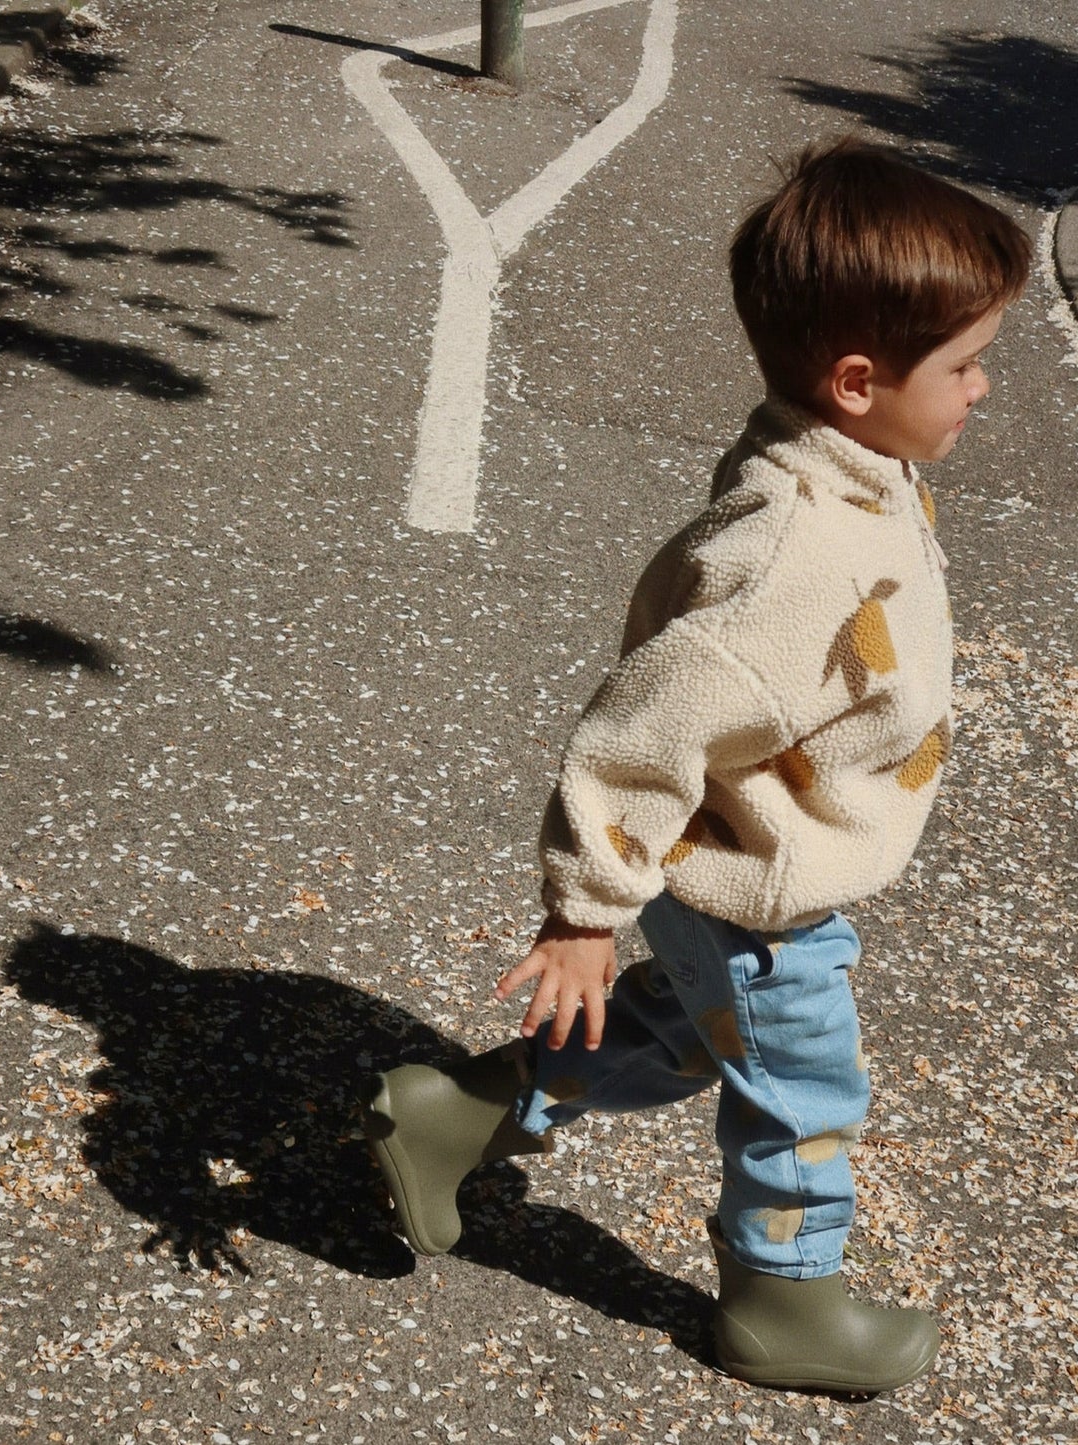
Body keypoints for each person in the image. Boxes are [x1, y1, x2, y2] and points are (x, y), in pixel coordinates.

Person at [363, 137, 1031, 1395]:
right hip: (750, 888)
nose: (981, 389)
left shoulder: (836, 457)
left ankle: (456, 1112)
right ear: (853, 379)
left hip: (737, 860)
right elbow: (642, 729)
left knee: (683, 1043)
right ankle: (785, 1306)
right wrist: (580, 913)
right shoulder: (792, 556)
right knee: (801, 1092)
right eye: (964, 364)